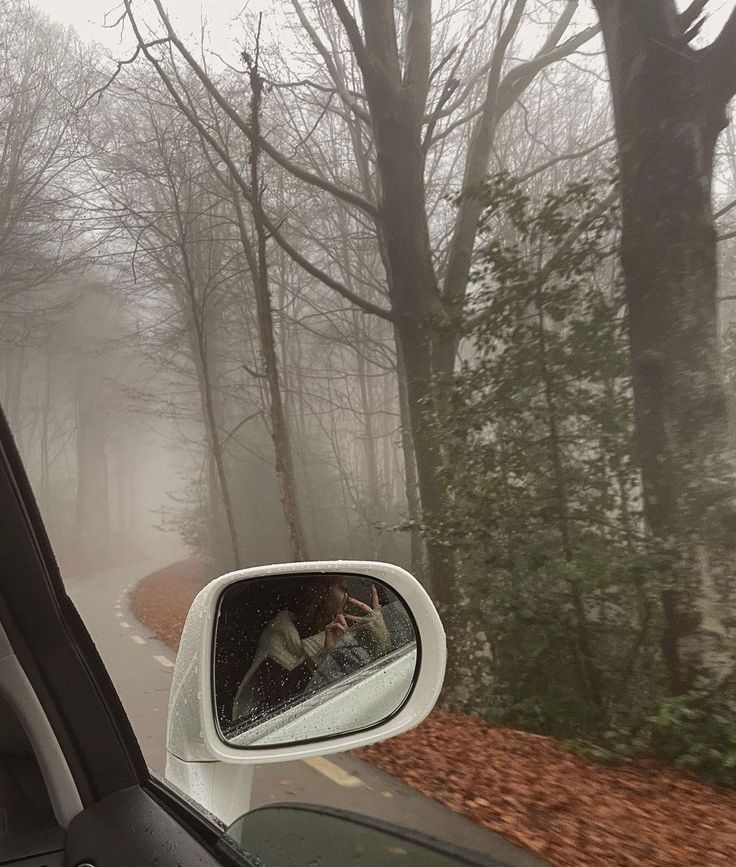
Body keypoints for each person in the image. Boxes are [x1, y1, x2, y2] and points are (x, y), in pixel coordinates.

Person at [231, 577, 389, 723]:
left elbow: (371, 699)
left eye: (364, 593)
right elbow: (275, 704)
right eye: (345, 588)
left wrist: (382, 643)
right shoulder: (283, 631)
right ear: (324, 589)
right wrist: (320, 659)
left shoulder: (363, 641)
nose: (352, 597)